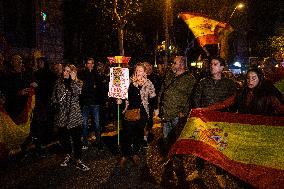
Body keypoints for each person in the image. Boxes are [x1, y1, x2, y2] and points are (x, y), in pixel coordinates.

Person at [190, 57, 237, 188]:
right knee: (201, 145)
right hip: (204, 121)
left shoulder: (229, 84)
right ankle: (198, 170)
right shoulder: (203, 82)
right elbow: (196, 99)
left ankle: (219, 173)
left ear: (222, 68)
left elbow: (234, 101)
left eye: (215, 64)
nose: (212, 66)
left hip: (221, 122)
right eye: (211, 64)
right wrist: (198, 115)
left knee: (219, 147)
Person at [51, 64, 90, 171]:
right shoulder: (58, 82)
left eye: (68, 71)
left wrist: (73, 81)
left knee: (77, 140)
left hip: (74, 116)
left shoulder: (79, 83)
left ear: (74, 72)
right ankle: (68, 154)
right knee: (64, 139)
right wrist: (55, 103)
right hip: (62, 116)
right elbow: (55, 97)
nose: (65, 73)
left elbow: (78, 92)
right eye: (64, 70)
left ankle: (78, 159)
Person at [201, 67, 284, 116]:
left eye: (254, 78)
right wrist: (204, 109)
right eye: (248, 78)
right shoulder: (241, 93)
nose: (250, 81)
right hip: (244, 130)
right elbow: (224, 103)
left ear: (260, 79)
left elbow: (281, 111)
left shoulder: (269, 96)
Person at [119, 62, 156, 168]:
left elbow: (153, 98)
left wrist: (153, 111)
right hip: (130, 111)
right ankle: (125, 155)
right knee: (126, 134)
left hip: (143, 112)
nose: (138, 72)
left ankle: (135, 153)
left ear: (145, 72)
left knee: (139, 134)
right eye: (137, 70)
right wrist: (133, 85)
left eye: (140, 70)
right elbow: (123, 95)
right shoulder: (129, 81)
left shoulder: (149, 83)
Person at [157, 56, 196, 156]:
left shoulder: (190, 79)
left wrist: (185, 112)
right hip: (166, 111)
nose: (172, 65)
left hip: (178, 114)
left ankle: (178, 156)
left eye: (175, 63)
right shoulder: (169, 76)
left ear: (182, 65)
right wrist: (158, 106)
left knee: (177, 137)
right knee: (166, 136)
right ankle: (168, 155)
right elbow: (162, 91)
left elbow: (191, 98)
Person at [77, 57, 104, 150]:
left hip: (95, 103)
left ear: (93, 64)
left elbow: (100, 88)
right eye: (88, 63)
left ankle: (98, 141)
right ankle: (84, 142)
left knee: (96, 124)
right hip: (85, 103)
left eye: (91, 63)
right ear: (86, 64)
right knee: (84, 124)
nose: (90, 65)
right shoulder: (81, 74)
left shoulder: (97, 74)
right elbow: (81, 88)